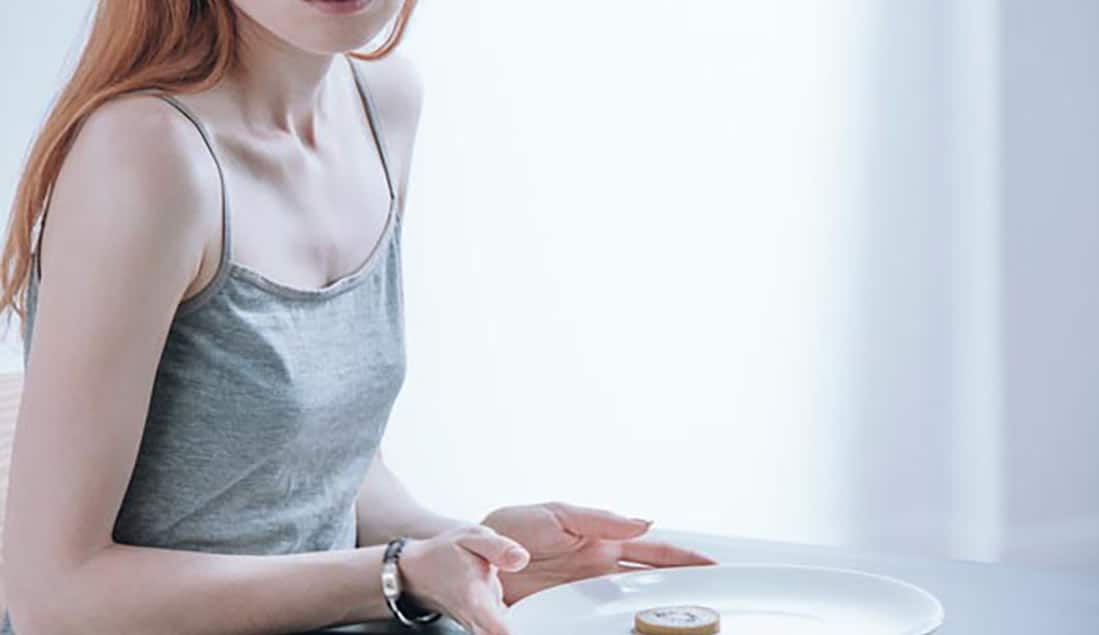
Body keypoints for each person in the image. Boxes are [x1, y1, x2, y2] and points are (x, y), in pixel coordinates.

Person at [0, 1, 713, 633]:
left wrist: (480, 551)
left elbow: (320, 471)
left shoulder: (382, 107)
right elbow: (51, 597)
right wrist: (397, 573)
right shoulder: (148, 156)